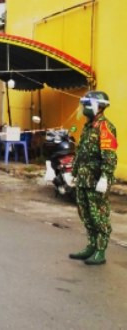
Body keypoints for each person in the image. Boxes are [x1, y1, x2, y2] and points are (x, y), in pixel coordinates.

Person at [69, 91, 118, 265]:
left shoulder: (105, 127)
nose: (84, 108)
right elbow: (81, 152)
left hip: (97, 180)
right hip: (84, 178)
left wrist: (105, 177)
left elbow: (109, 156)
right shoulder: (88, 127)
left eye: (87, 104)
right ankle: (91, 245)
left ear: (98, 106)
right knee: (86, 214)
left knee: (99, 216)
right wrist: (73, 173)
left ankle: (100, 250)